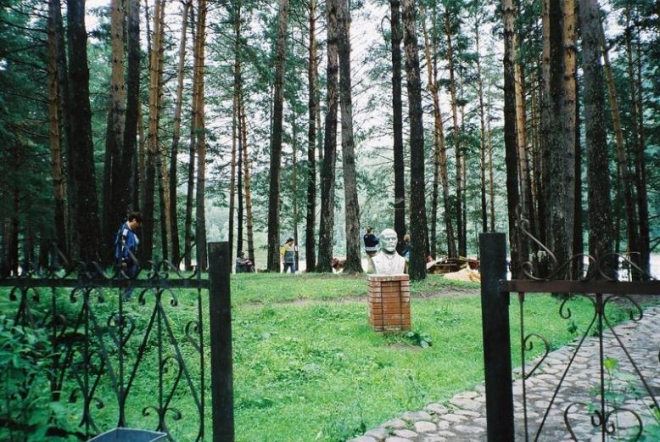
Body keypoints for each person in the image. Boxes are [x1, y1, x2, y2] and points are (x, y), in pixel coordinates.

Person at [114, 211, 142, 301]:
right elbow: (121, 246)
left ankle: (125, 299)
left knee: (132, 280)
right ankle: (124, 299)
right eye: (138, 223)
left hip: (130, 260)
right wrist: (122, 260)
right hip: (125, 261)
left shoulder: (131, 231)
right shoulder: (125, 230)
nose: (138, 226)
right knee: (125, 281)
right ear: (134, 220)